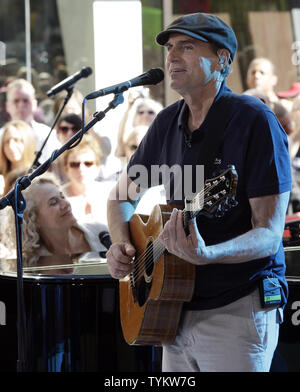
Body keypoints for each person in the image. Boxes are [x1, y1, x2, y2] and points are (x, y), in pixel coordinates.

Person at [106, 12, 292, 372]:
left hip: (236, 307)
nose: (172, 57)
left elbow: (269, 235)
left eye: (187, 47)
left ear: (222, 59)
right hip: (173, 309)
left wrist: (209, 254)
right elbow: (120, 196)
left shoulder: (253, 121)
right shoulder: (166, 124)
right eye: (170, 48)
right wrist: (122, 245)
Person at [0, 173, 108, 269]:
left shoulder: (100, 232)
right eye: (54, 202)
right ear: (34, 219)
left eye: (62, 197)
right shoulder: (34, 264)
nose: (65, 204)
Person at [3, 78, 60, 164]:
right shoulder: (1, 137)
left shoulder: (48, 136)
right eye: (16, 101)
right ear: (7, 106)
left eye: (26, 100)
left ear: (34, 104)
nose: (21, 105)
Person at [62, 134, 115, 225]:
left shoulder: (112, 193)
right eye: (75, 164)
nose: (81, 169)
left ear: (97, 166)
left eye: (88, 163)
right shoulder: (60, 198)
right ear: (66, 168)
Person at [0, 120, 36, 195]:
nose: (11, 146)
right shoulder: (1, 175)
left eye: (16, 140)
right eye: (7, 142)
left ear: (27, 141)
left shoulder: (37, 173)